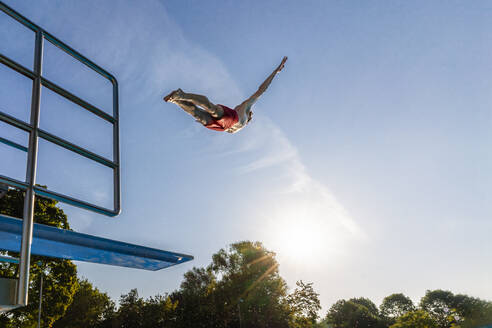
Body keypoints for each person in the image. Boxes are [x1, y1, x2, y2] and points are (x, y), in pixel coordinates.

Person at [164, 56, 287, 133]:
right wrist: (276, 72)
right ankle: (176, 99)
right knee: (197, 113)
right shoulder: (238, 127)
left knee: (210, 108)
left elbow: (262, 90)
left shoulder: (246, 108)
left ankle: (179, 96)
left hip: (230, 120)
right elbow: (262, 90)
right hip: (224, 127)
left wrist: (275, 72)